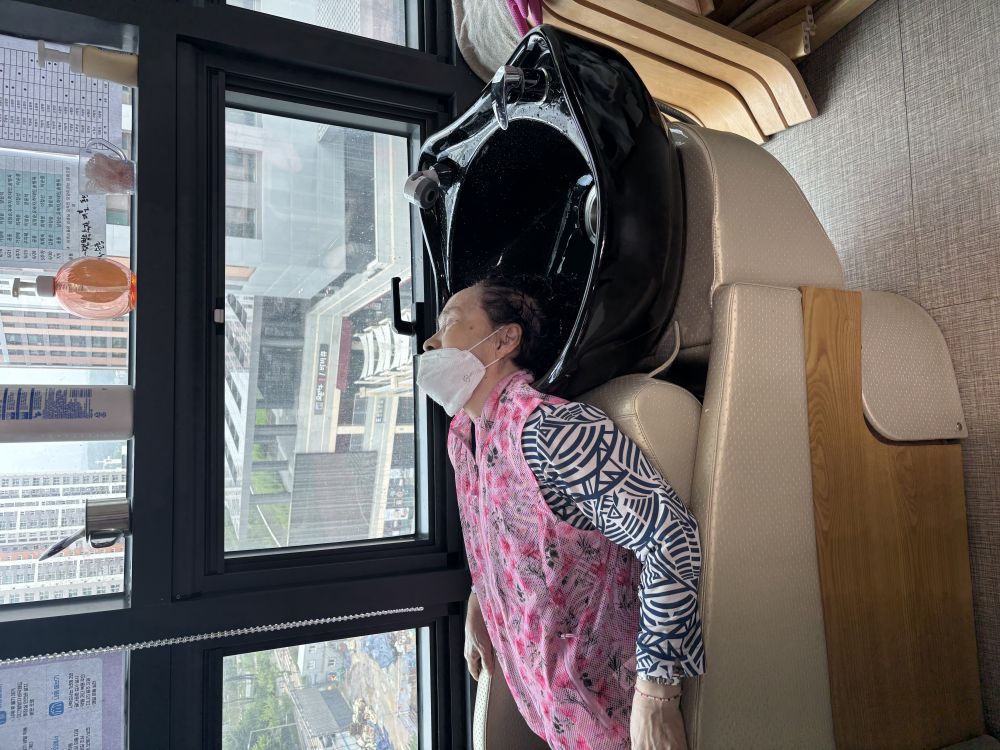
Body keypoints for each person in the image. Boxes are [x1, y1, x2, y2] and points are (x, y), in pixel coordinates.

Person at [417, 273, 705, 750]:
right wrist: (480, 597)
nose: (430, 342)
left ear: (504, 340)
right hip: (553, 719)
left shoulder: (550, 432)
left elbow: (669, 535)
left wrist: (657, 696)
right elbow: (504, 529)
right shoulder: (464, 441)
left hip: (618, 722)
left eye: (448, 321)